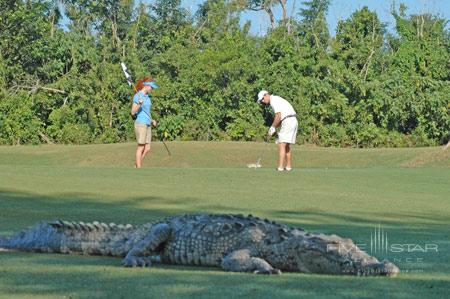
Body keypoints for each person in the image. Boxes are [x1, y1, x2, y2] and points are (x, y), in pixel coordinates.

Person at [257, 90, 298, 172]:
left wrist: (272, 127)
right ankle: (288, 166)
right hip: (293, 120)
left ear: (265, 95)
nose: (263, 102)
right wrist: (274, 128)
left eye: (262, 100)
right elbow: (280, 118)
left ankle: (280, 167)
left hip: (288, 121)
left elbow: (278, 116)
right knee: (286, 145)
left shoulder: (274, 100)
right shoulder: (277, 99)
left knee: (281, 144)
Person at [131, 77, 159, 168]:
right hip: (140, 123)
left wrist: (152, 120)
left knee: (147, 148)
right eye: (151, 87)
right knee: (141, 147)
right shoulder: (137, 96)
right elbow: (132, 112)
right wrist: (139, 104)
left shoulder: (147, 98)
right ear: (146, 86)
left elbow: (147, 111)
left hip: (147, 123)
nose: (152, 89)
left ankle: (137, 164)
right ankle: (139, 168)